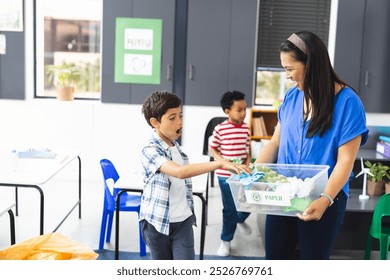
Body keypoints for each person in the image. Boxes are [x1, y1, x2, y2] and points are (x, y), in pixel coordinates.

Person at [254, 31, 369, 260]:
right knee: (275, 259)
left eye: (290, 69)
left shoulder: (348, 103)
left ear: (312, 65)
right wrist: (253, 174)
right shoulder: (291, 98)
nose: (287, 76)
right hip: (285, 193)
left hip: (324, 196)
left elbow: (345, 161)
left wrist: (325, 199)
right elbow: (276, 141)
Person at [140, 91, 251, 260]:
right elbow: (180, 172)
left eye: (181, 116)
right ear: (155, 122)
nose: (180, 122)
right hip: (157, 223)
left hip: (183, 220)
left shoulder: (175, 147)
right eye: (172, 118)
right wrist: (220, 163)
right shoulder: (150, 149)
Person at [209, 90, 253, 257]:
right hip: (225, 175)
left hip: (242, 173)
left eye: (245, 109)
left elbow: (247, 151)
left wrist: (248, 164)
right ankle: (226, 240)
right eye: (239, 109)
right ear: (227, 111)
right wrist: (223, 162)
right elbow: (212, 149)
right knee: (229, 209)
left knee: (249, 202)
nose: (243, 113)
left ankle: (239, 218)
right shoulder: (220, 129)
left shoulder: (246, 129)